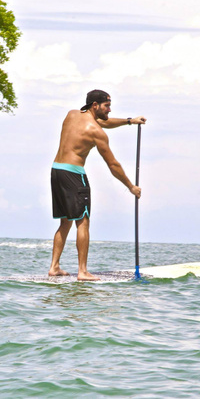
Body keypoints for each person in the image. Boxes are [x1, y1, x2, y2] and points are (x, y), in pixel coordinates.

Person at [49, 89, 146, 281]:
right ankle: (83, 271)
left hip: (56, 171)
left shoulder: (72, 114)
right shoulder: (96, 132)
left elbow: (102, 121)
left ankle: (54, 267)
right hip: (74, 175)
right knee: (83, 221)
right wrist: (131, 187)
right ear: (95, 105)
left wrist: (129, 121)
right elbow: (113, 165)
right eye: (107, 106)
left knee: (65, 221)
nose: (109, 110)